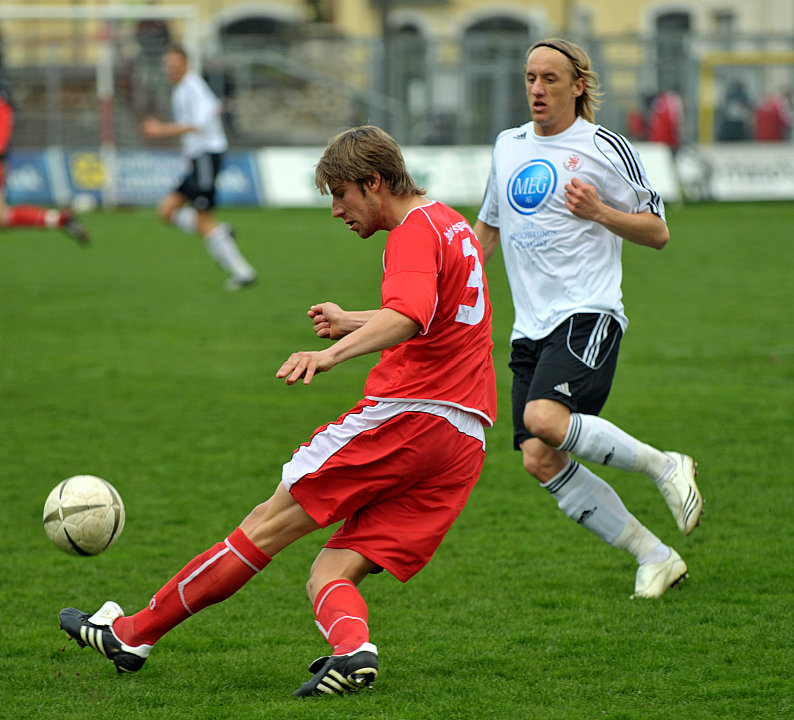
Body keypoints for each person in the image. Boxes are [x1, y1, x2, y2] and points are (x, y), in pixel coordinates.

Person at [58, 125, 497, 696]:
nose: (336, 209)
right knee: (330, 572)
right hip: (463, 440)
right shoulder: (451, 223)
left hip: (408, 418)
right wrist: (353, 320)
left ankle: (133, 634)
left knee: (265, 525)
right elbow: (436, 316)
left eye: (341, 194)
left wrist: (332, 351)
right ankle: (352, 652)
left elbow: (411, 317)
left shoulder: (410, 234)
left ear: (373, 182)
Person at [473, 38, 704, 599]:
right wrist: (445, 284)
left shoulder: (605, 147)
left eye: (550, 79)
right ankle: (654, 554)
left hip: (588, 310)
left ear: (578, 85)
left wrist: (599, 210)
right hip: (529, 326)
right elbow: (488, 232)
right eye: (530, 78)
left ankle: (664, 465)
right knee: (538, 456)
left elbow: (658, 232)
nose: (536, 89)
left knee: (547, 421)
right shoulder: (508, 146)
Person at [140, 45, 256, 290]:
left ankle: (242, 271)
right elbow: (213, 109)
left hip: (207, 156)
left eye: (175, 64)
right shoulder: (182, 90)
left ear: (186, 64)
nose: (170, 70)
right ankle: (220, 233)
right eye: (167, 66)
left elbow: (199, 124)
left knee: (203, 219)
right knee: (167, 211)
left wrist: (161, 130)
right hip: (197, 159)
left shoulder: (193, 86)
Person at [0, 79, 88, 243]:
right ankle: (59, 219)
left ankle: (59, 219)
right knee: (2, 217)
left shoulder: (2, 107)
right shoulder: (6, 106)